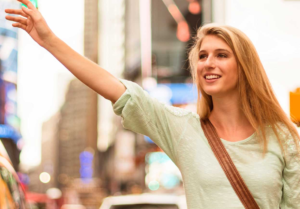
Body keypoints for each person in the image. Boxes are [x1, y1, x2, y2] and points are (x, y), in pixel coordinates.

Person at [5, 0, 300, 208]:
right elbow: (116, 89)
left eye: (221, 54)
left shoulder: (283, 137)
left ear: (244, 65)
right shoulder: (184, 129)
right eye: (202, 55)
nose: (209, 62)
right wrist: (48, 39)